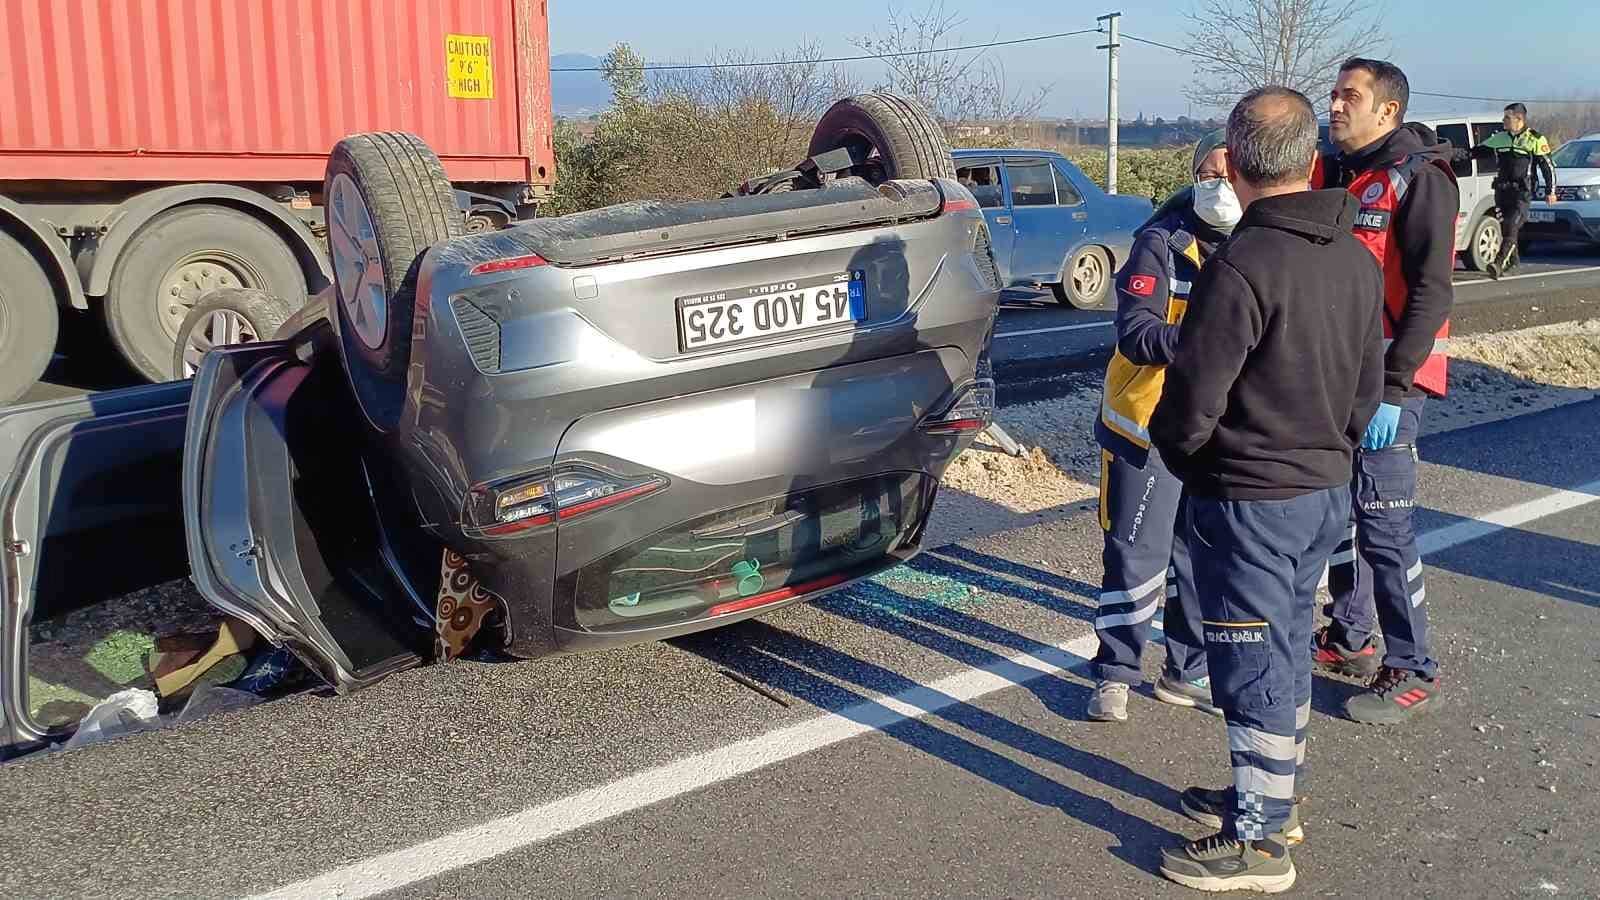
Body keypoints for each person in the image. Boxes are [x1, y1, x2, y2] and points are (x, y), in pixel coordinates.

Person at [1150, 85, 1385, 893]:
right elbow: (1366, 385)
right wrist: (1331, 456)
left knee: (1250, 661)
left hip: (1249, 500)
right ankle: (1273, 798)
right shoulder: (1353, 257)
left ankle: (1257, 844)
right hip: (1321, 493)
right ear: (1309, 158)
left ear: (1238, 158)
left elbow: (1190, 401)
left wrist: (1191, 461)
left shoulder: (1241, 265)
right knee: (1284, 646)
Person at [1315, 58, 1458, 726]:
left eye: (1351, 96)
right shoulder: (1332, 170)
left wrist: (1396, 386)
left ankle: (1412, 665)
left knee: (1383, 522)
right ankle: (1351, 633)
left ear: (1388, 110)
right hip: (1327, 373)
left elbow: (1432, 292)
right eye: (1334, 94)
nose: (1337, 105)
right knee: (1337, 513)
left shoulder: (1420, 180)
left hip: (1388, 378)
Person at [1085, 130, 1235, 723]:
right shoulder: (1159, 243)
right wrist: (1209, 343)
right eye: (1209, 172)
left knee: (1200, 556)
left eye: (1230, 173)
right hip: (1145, 426)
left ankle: (1186, 668)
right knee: (1134, 555)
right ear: (1193, 175)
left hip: (1212, 428)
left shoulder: (1252, 245)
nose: (1220, 184)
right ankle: (1116, 671)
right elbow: (1137, 333)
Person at [1459, 102, 1557, 278]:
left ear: (1519, 119)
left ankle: (1498, 264)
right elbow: (1477, 152)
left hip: (1522, 193)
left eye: (1507, 117)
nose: (1503, 120)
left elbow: (1547, 167)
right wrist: (1452, 155)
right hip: (1502, 192)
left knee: (1512, 225)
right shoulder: (1500, 138)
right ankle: (1514, 263)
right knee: (1506, 228)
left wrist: (1551, 191)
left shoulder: (1534, 139)